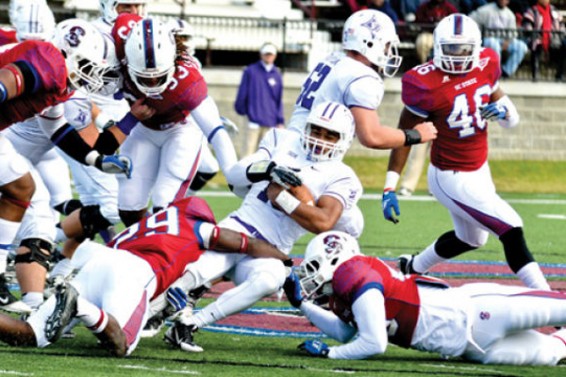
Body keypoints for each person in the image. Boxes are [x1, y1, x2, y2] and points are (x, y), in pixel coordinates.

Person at [158, 101, 365, 352]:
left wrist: (283, 198)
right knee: (188, 279)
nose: (321, 139)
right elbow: (235, 175)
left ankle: (188, 327)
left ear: (344, 139)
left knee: (271, 278)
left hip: (271, 248)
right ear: (306, 127)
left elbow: (323, 221)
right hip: (239, 227)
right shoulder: (281, 139)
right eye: (316, 130)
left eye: (330, 134)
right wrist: (265, 169)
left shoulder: (342, 175)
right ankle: (146, 312)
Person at [0, 196, 292, 357]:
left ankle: (77, 304)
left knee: (29, 335)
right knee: (121, 344)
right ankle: (80, 307)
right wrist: (285, 260)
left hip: (101, 261)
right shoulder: (197, 228)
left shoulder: (144, 225)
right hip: (136, 272)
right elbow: (248, 244)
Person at [381, 14, 549, 291]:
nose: (458, 55)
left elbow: (512, 121)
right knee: (511, 228)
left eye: (464, 48)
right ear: (437, 46)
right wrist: (389, 187)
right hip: (450, 175)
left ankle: (411, 268)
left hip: (479, 167)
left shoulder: (488, 62)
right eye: (450, 48)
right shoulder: (424, 82)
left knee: (472, 239)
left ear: (477, 46)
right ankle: (550, 304)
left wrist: (504, 113)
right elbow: (404, 135)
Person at [0, 17, 132, 310]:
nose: (89, 76)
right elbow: (6, 82)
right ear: (68, 52)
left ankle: (26, 297)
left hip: (18, 146)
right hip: (12, 143)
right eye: (86, 66)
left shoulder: (58, 82)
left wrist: (96, 160)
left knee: (29, 198)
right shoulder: (51, 61)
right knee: (26, 193)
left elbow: (58, 130)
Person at [284, 230, 566, 365]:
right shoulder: (346, 293)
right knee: (554, 352)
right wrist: (303, 306)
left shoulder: (353, 273)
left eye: (313, 266)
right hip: (471, 349)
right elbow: (346, 335)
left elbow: (373, 343)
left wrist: (330, 354)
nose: (310, 276)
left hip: (481, 310)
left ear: (335, 260)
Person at [111, 16, 239, 227]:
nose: (152, 84)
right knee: (129, 205)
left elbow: (215, 131)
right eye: (144, 78)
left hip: (181, 129)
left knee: (163, 203)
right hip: (143, 129)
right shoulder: (118, 48)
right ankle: (142, 247)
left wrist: (233, 173)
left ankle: (162, 252)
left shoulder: (187, 79)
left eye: (158, 77)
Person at [286, 9, 437, 153]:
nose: (388, 52)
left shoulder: (333, 58)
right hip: (310, 153)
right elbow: (371, 137)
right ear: (369, 43)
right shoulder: (362, 76)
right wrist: (416, 135)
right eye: (386, 45)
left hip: (290, 143)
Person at [235, 42, 285, 157]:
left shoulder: (277, 74)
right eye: (266, 54)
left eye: (271, 54)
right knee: (248, 154)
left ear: (275, 56)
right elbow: (242, 93)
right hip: (253, 120)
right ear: (261, 55)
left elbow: (278, 99)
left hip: (270, 121)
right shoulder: (250, 71)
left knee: (265, 155)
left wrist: (280, 120)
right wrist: (243, 111)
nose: (268, 57)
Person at [470, 0, 528, 78]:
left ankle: (506, 72)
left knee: (522, 46)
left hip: (504, 40)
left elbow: (513, 33)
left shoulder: (510, 14)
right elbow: (471, 20)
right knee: (494, 44)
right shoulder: (485, 10)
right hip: (488, 38)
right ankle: (496, 71)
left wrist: (508, 41)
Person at [522, 0, 566, 82]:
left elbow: (562, 26)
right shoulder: (532, 10)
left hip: (553, 39)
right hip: (537, 39)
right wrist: (537, 35)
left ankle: (559, 76)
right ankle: (535, 75)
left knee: (563, 46)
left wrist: (558, 34)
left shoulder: (554, 10)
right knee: (536, 45)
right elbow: (527, 27)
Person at [414, 0, 458, 64]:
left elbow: (456, 22)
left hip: (446, 35)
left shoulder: (450, 7)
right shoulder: (424, 7)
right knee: (422, 42)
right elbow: (417, 23)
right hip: (429, 33)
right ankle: (424, 64)